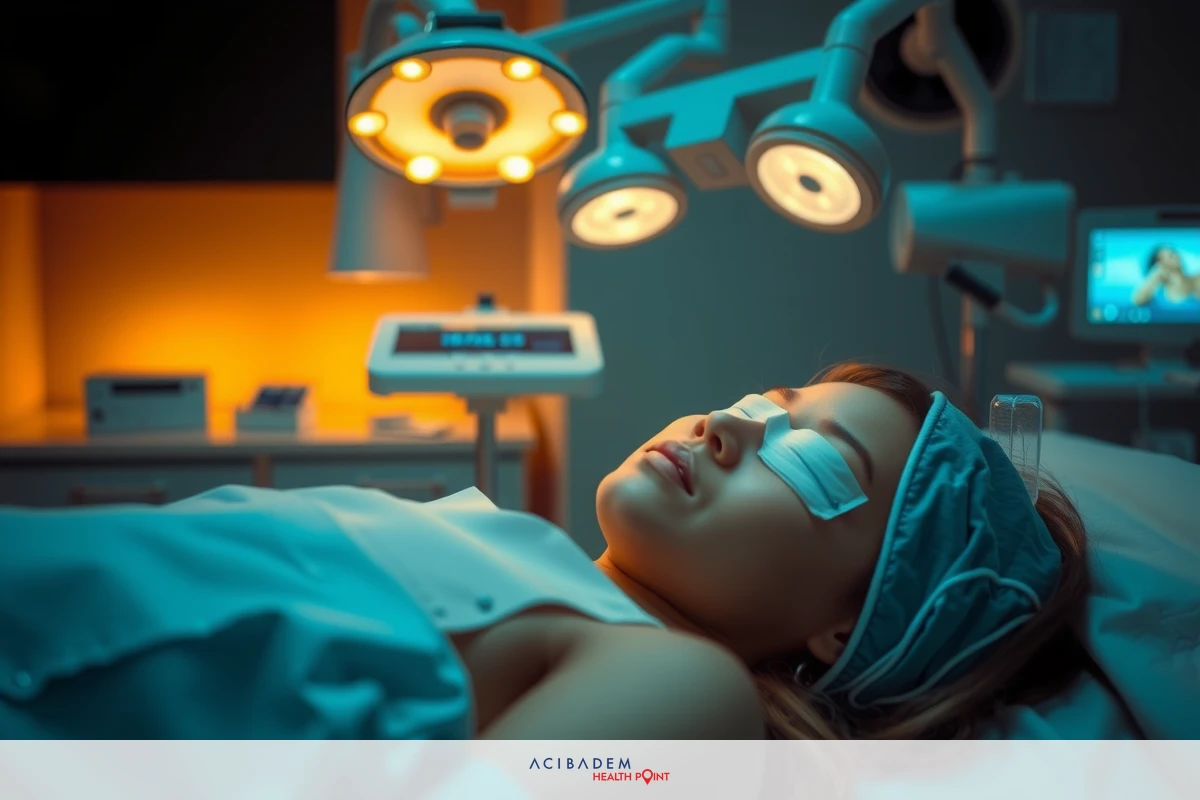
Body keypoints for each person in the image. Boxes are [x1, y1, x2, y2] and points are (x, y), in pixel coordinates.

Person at [0, 363, 1090, 740]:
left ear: (847, 626)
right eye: (771, 399)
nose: (734, 423)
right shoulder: (502, 544)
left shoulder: (686, 688)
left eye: (815, 460)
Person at [1131, 245, 1200, 306]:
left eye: (1175, 253)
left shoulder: (1196, 279)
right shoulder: (1159, 292)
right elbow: (1137, 300)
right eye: (1171, 256)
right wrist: (1157, 274)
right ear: (1159, 263)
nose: (1177, 257)